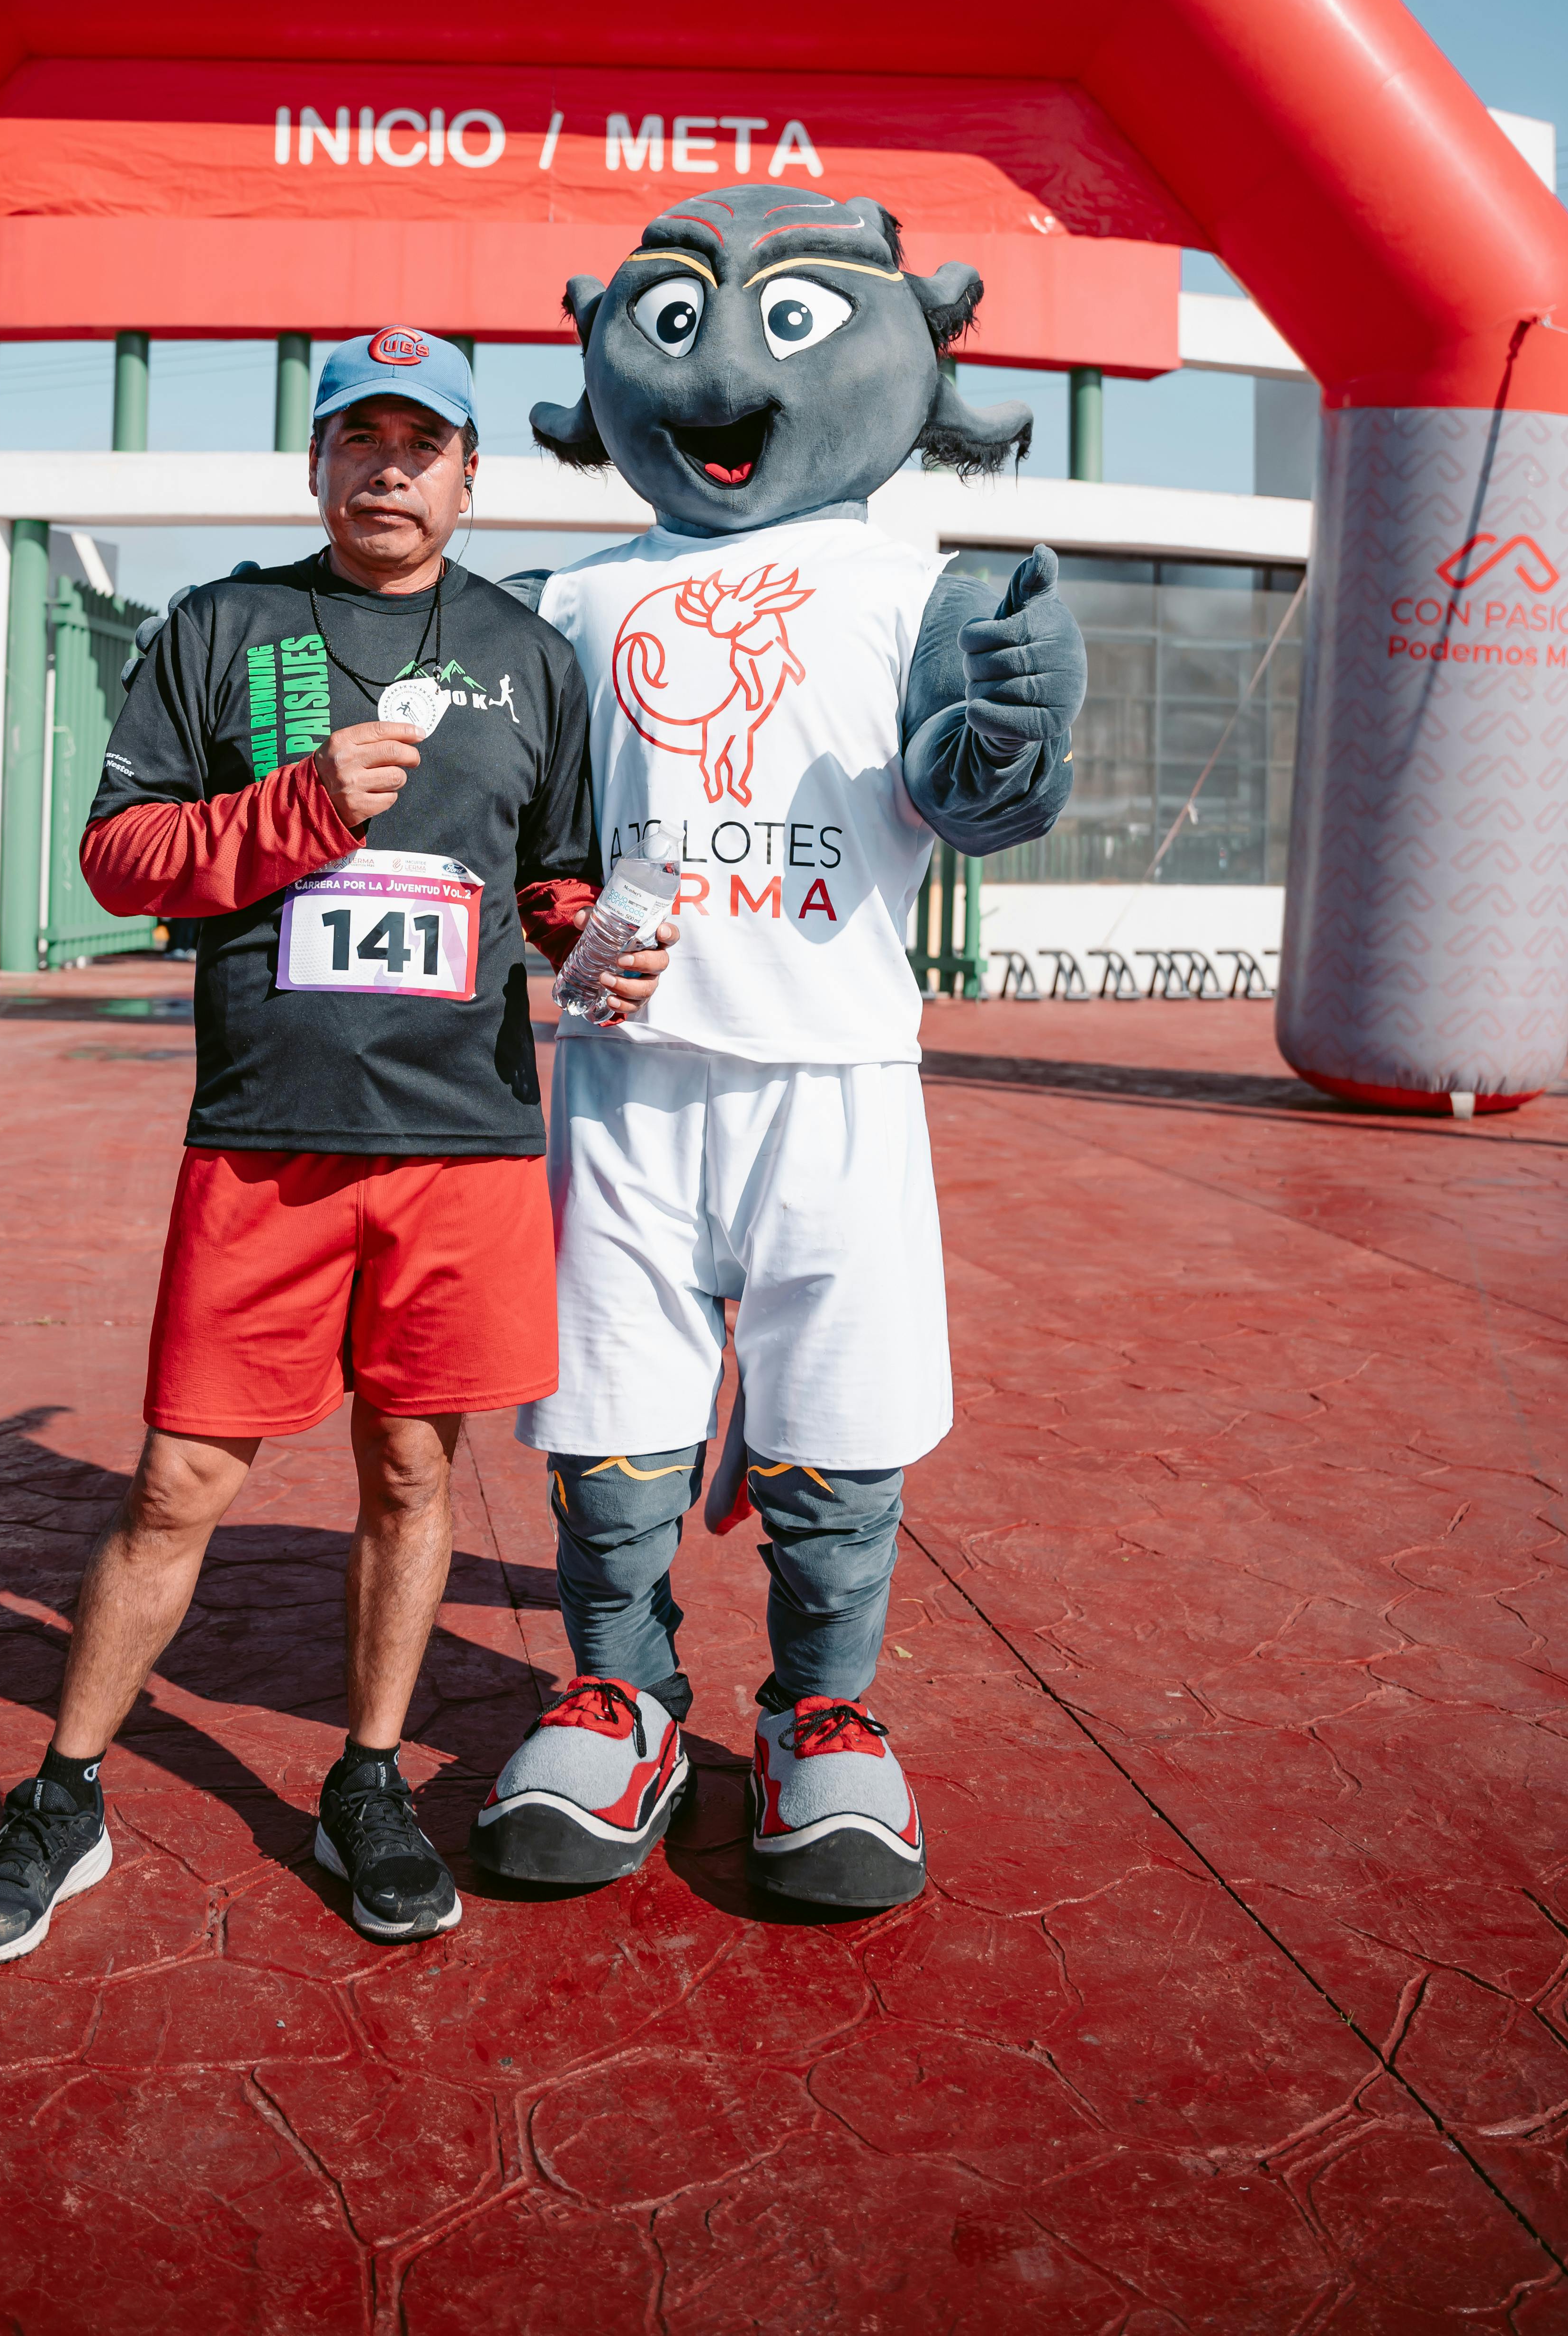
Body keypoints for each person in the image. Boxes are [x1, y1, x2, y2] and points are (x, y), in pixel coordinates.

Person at [0, 328, 672, 1961]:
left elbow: (552, 876)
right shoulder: (223, 625)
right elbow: (121, 857)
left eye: (426, 443)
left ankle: (368, 1779)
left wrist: (590, 942)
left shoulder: (527, 653)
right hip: (266, 1131)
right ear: (317, 462)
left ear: (472, 476)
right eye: (361, 437)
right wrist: (305, 808)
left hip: (461, 1138)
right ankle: (64, 1792)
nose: (389, 467)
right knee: (182, 1476)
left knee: (413, 1469)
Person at [473, 188, 1084, 1910]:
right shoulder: (572, 602)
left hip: (835, 1077)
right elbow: (541, 846)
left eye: (792, 322)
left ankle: (824, 1717)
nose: (726, 373)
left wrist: (1016, 734)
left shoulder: (921, 588)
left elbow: (974, 802)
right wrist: (562, 930)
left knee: (838, 1425)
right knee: (606, 1425)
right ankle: (623, 1692)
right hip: (628, 1077)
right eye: (671, 324)